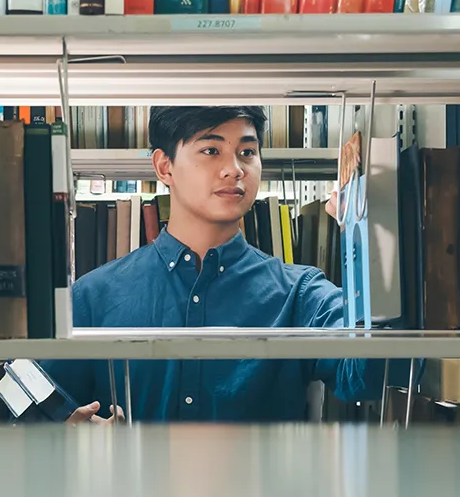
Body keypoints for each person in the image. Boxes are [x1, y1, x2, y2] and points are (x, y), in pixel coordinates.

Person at [40, 106, 413, 423]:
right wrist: (64, 433)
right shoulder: (94, 295)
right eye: (211, 150)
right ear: (164, 166)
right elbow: (19, 395)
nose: (234, 169)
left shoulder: (299, 293)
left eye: (247, 152)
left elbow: (373, 375)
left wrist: (368, 240)